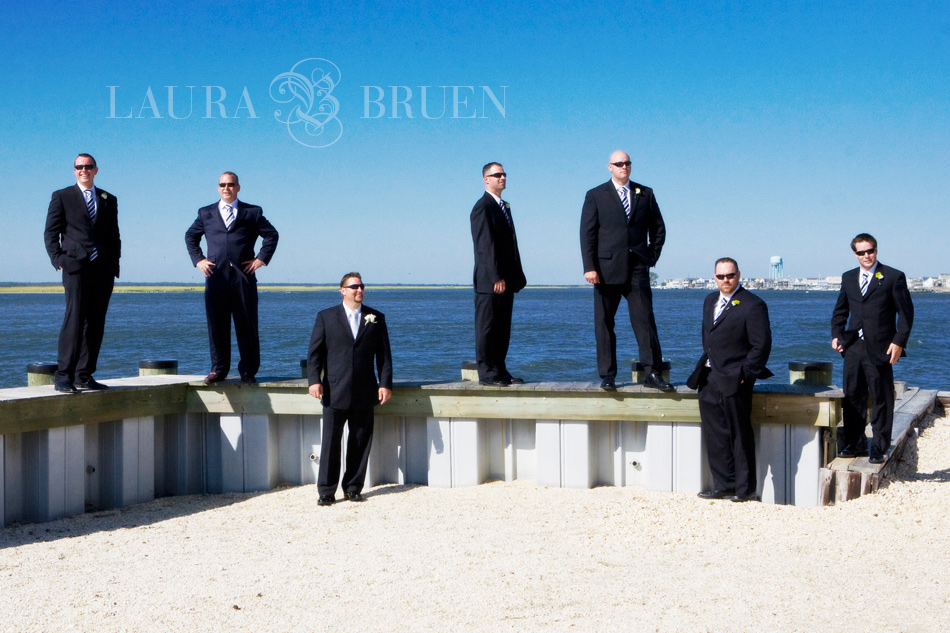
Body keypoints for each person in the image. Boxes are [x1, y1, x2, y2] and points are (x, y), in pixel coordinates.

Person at [580, 150, 673, 391]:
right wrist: (589, 267)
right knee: (604, 323)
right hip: (605, 270)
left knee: (645, 321)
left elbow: (659, 229)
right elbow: (587, 234)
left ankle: (652, 373)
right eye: (619, 163)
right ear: (609, 167)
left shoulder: (645, 193)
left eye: (627, 163)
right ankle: (608, 375)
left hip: (637, 268)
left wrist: (651, 257)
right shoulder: (595, 195)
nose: (624, 166)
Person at [687, 258, 773, 502]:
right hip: (709, 377)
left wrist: (745, 375)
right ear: (714, 277)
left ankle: (744, 490)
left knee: (739, 434)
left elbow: (761, 345)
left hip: (736, 379)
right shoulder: (709, 301)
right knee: (715, 434)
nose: (725, 280)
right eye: (720, 276)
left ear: (738, 275)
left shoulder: (753, 304)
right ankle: (723, 485)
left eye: (730, 275)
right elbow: (709, 337)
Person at [307, 272, 393, 505]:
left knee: (360, 441)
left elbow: (384, 356)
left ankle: (353, 487)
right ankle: (326, 491)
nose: (359, 290)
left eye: (362, 286)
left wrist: (385, 383)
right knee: (330, 443)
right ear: (342, 290)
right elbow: (315, 354)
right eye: (354, 286)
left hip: (365, 390)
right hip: (334, 390)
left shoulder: (376, 317)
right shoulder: (326, 317)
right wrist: (314, 380)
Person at [185, 172, 278, 384]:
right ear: (218, 188)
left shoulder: (252, 212)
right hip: (215, 275)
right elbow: (190, 236)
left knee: (247, 324)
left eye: (230, 184)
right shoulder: (205, 212)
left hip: (243, 276)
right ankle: (218, 370)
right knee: (217, 325)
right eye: (222, 185)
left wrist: (260, 259)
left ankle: (248, 371)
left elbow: (272, 235)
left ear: (238, 187)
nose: (226, 188)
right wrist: (198, 260)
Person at [831, 233, 913, 464]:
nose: (866, 256)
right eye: (861, 252)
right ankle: (855, 443)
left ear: (876, 250)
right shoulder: (848, 278)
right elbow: (840, 310)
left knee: (881, 397)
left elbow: (906, 314)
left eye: (870, 251)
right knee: (852, 396)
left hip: (881, 347)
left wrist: (899, 342)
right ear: (855, 254)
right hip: (853, 346)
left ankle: (878, 446)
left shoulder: (893, 276)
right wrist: (837, 335)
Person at [43, 153, 121, 393]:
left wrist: (114, 262)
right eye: (79, 167)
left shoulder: (108, 199)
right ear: (74, 170)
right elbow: (50, 233)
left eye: (88, 166)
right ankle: (63, 377)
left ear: (96, 170)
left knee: (96, 323)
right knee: (74, 321)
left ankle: (84, 375)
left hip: (103, 268)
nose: (84, 170)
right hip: (75, 267)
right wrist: (58, 260)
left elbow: (114, 234)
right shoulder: (62, 196)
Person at [470, 162, 527, 386]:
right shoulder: (482, 207)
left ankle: (500, 370)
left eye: (504, 174)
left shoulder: (503, 206)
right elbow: (485, 245)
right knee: (487, 328)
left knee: (502, 329)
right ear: (486, 179)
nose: (502, 178)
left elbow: (510, 244)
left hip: (507, 280)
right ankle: (487, 374)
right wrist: (496, 276)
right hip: (490, 281)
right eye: (497, 175)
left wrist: (515, 275)